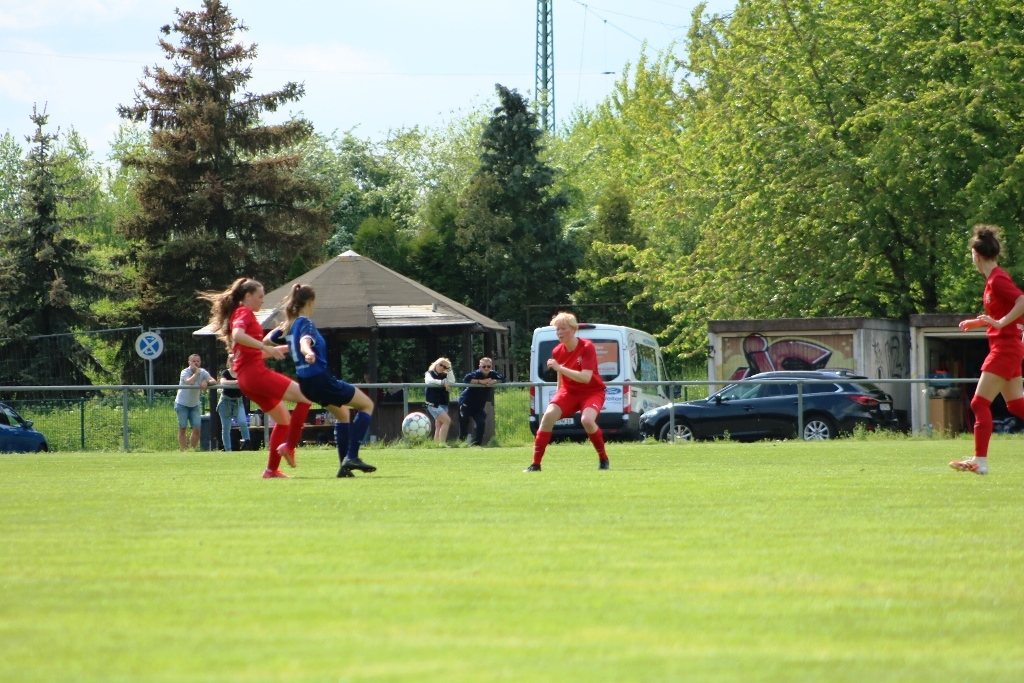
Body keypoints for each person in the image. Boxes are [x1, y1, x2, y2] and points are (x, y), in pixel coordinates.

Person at [201, 278, 312, 479]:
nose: (263, 300)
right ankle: (290, 447)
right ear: (247, 296)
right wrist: (264, 345)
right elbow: (238, 335)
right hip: (256, 375)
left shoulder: (242, 314)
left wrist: (289, 348)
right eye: (260, 296)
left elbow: (256, 353)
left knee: (283, 419)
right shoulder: (243, 312)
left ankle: (271, 470)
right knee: (305, 397)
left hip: (247, 380)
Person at [276, 283, 377, 478]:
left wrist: (249, 351)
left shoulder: (288, 325)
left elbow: (269, 341)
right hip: (320, 380)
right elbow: (304, 342)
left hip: (307, 385)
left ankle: (344, 469)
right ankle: (352, 456)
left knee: (343, 414)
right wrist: (308, 353)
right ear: (311, 302)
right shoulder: (306, 322)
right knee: (366, 405)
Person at [951, 224, 1024, 475]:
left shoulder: (998, 279)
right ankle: (978, 459)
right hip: (1008, 347)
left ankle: (980, 461)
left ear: (977, 254)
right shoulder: (993, 280)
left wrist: (1002, 323)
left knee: (978, 403)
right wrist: (979, 322)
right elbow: (1004, 313)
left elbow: (1022, 301)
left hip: (1004, 349)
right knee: (1016, 406)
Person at [525, 312, 609, 472]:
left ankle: (603, 458)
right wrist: (558, 395)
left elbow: (585, 377)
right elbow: (560, 376)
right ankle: (535, 464)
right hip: (569, 392)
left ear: (574, 329)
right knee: (548, 416)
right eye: (557, 329)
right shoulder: (558, 350)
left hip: (592, 391)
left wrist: (560, 367)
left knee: (587, 421)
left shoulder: (586, 347)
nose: (559, 332)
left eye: (563, 328)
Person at [458, 357, 505, 446]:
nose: (486, 368)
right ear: (480, 366)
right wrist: (481, 382)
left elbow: (502, 379)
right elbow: (466, 379)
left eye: (488, 366)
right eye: (484, 366)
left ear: (491, 366)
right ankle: (462, 444)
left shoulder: (492, 374)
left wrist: (493, 381)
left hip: (478, 407)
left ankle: (477, 444)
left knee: (481, 423)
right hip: (466, 403)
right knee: (464, 424)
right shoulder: (476, 374)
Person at [174, 354, 215, 452]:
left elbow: (214, 381)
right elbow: (189, 382)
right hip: (182, 404)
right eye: (193, 361)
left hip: (195, 405)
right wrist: (196, 373)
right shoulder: (185, 372)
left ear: (200, 362)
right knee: (182, 428)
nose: (196, 363)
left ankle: (192, 450)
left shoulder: (203, 372)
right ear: (189, 363)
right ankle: (183, 451)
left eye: (198, 361)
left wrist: (206, 382)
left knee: (197, 428)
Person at [217, 353, 251, 451]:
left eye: (235, 360)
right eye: (231, 360)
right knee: (226, 427)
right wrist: (236, 382)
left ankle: (247, 445)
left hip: (238, 401)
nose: (233, 362)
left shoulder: (241, 372)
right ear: (228, 362)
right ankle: (228, 450)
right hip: (225, 402)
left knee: (243, 422)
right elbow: (223, 382)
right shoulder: (225, 373)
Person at [424, 357, 455, 445]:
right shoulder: (429, 373)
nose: (442, 368)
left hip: (444, 403)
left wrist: (449, 369)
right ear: (436, 364)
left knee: (439, 424)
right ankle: (442, 444)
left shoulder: (445, 375)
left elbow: (452, 381)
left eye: (445, 367)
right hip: (434, 404)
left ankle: (436, 445)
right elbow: (429, 381)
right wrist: (442, 383)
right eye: (440, 365)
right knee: (447, 421)